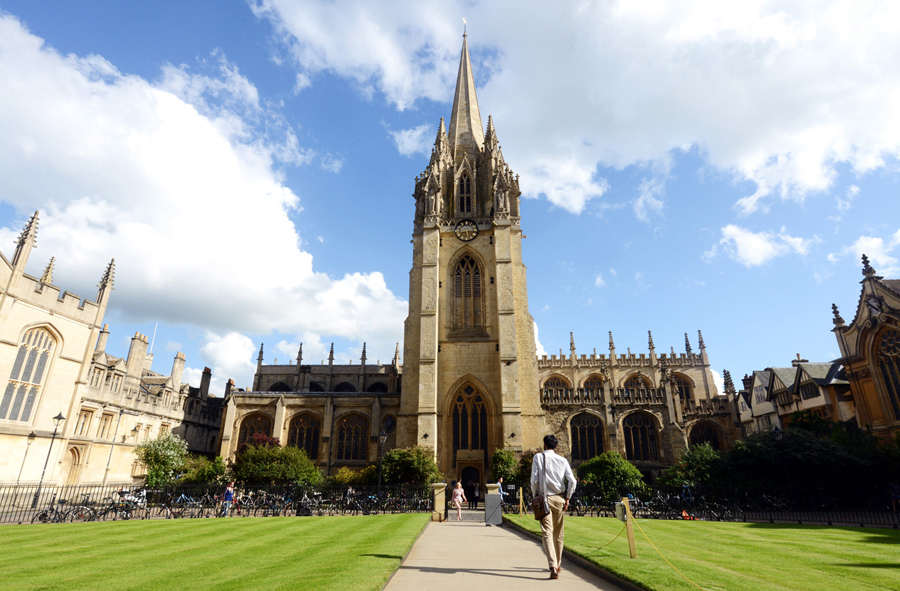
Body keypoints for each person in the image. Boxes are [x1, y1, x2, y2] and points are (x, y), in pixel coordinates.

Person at [531, 434, 577, 580]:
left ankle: (552, 566)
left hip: (544, 498)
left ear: (544, 444)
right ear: (555, 446)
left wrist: (535, 496)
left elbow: (534, 480)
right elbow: (572, 481)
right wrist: (568, 498)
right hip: (559, 498)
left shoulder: (538, 457)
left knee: (547, 532)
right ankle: (558, 565)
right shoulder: (562, 460)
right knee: (558, 534)